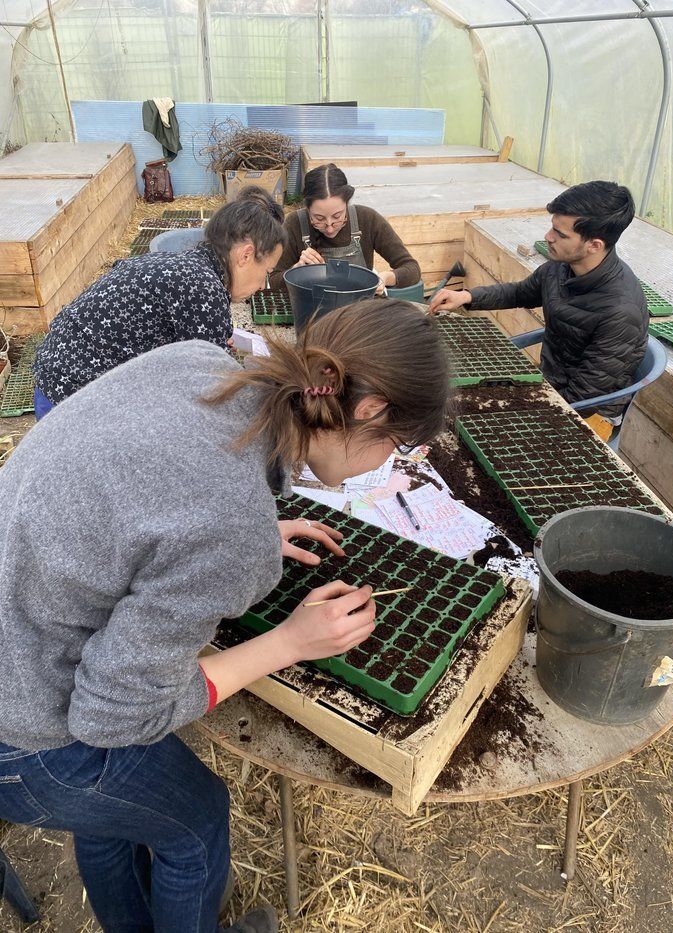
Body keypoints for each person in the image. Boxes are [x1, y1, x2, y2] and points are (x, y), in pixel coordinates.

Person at [0, 299, 450, 933]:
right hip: (23, 736)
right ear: (370, 411)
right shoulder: (229, 526)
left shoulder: (199, 362)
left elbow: (150, 492)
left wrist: (247, 521)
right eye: (397, 446)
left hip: (14, 631)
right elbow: (113, 718)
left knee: (109, 818)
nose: (386, 464)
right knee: (197, 822)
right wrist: (289, 642)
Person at [32, 186, 286, 418]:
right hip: (71, 399)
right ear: (246, 255)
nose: (264, 285)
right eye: (267, 271)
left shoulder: (187, 265)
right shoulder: (204, 287)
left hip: (54, 376)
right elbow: (210, 389)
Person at [429, 180, 647, 439]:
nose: (548, 237)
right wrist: (466, 296)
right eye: (552, 227)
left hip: (589, 413)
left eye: (560, 234)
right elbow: (521, 292)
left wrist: (515, 411)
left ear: (594, 245)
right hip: (549, 384)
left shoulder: (620, 311)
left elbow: (584, 399)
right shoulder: (562, 266)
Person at [269, 163, 420, 294]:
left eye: (337, 216)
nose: (329, 228)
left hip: (357, 314)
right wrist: (297, 270)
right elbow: (273, 281)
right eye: (319, 219)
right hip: (311, 309)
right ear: (307, 208)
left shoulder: (367, 219)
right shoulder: (295, 223)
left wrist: (384, 278)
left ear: (347, 204)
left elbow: (412, 269)